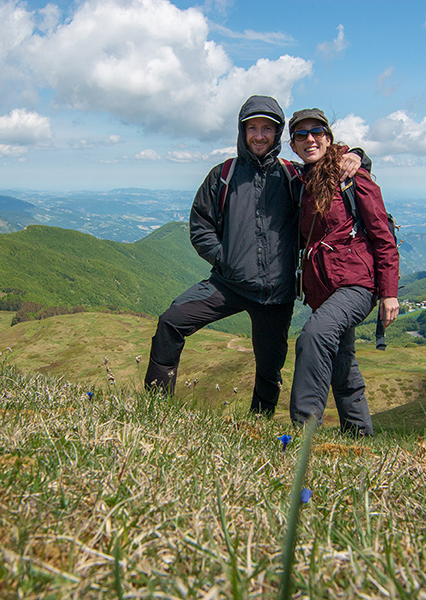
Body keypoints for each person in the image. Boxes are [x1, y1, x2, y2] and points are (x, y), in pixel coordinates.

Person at [144, 95, 363, 415]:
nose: (259, 135)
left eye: (267, 128)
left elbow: (326, 171)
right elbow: (200, 225)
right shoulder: (224, 174)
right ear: (242, 131)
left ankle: (258, 424)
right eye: (252, 128)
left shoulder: (293, 176)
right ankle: (154, 407)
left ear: (277, 135)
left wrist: (358, 155)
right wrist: (226, 258)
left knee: (269, 368)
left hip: (276, 293)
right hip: (227, 285)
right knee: (170, 322)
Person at [288, 108, 400, 436]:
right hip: (323, 291)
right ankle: (359, 436)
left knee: (315, 336)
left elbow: (382, 236)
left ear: (328, 137)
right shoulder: (301, 182)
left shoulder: (352, 178)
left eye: (317, 131)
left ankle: (303, 432)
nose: (310, 139)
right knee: (342, 362)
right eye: (301, 134)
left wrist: (389, 293)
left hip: (357, 284)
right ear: (293, 145)